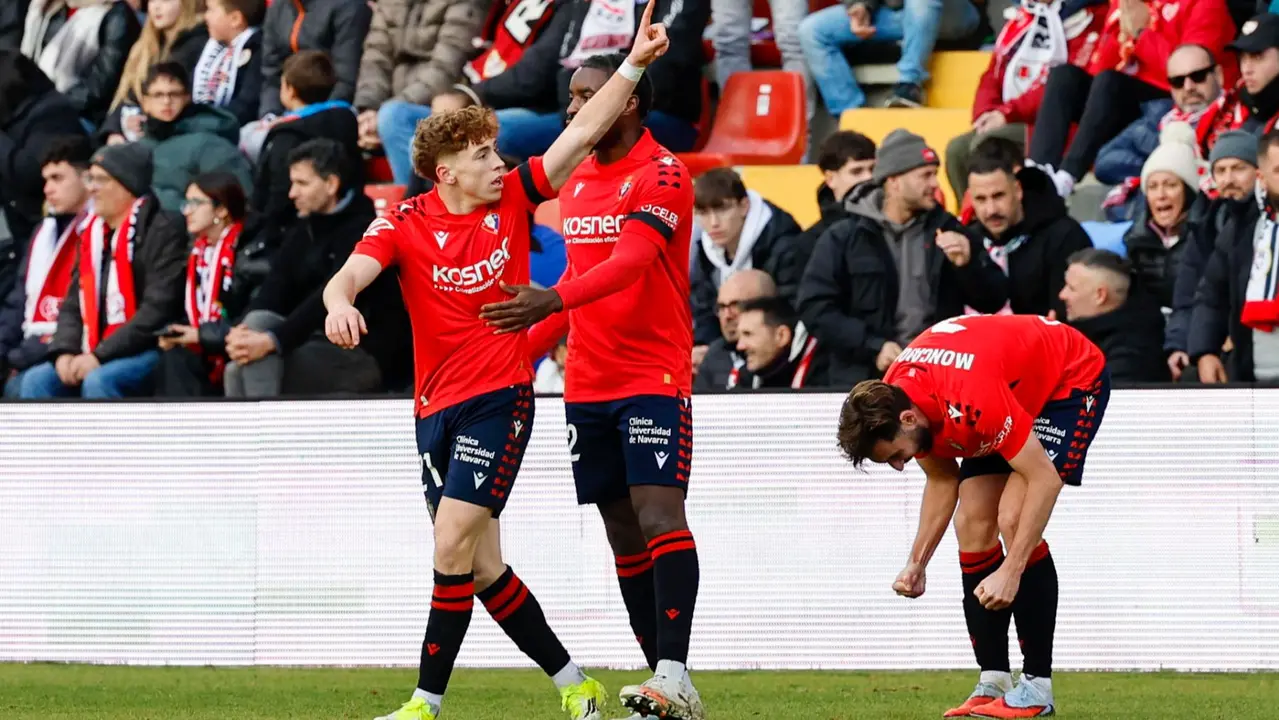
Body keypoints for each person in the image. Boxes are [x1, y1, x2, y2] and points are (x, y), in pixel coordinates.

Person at [320, 5, 671, 719]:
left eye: (497, 151)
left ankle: (424, 703)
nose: (498, 164)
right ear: (444, 170)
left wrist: (634, 63)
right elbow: (349, 275)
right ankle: (575, 684)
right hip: (432, 408)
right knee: (480, 567)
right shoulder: (404, 221)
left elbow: (578, 134)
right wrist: (337, 303)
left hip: (499, 397)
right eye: (483, 155)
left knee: (451, 540)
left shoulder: (514, 197)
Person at [477, 49, 703, 720]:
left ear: (625, 100)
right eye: (572, 96)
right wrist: (512, 354)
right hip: (589, 381)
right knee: (620, 530)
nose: (571, 108)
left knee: (659, 514)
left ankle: (674, 674)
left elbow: (631, 264)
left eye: (584, 95)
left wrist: (546, 301)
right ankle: (659, 690)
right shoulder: (574, 181)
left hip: (652, 375)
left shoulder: (663, 173)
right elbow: (580, 289)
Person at [836, 313, 1110, 719]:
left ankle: (1037, 688)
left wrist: (1011, 571)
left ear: (908, 419)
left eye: (895, 455)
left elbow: (1045, 481)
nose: (898, 466)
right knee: (972, 525)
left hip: (1067, 380)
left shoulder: (969, 397)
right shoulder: (901, 396)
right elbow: (943, 481)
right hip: (1008, 388)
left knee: (1014, 519)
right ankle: (994, 680)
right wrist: (917, 563)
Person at [20, 143, 188, 399]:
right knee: (36, 381)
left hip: (151, 347)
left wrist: (99, 356)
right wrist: (64, 352)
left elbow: (157, 310)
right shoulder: (93, 234)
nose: (91, 188)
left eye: (101, 180)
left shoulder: (163, 229)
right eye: (90, 178)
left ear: (126, 185)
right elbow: (73, 305)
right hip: (96, 348)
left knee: (100, 381)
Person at [0, 136, 92, 397]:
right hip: (31, 345)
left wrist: (18, 357)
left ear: (87, 179)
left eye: (58, 178)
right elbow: (18, 301)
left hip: (72, 348)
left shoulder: (100, 229)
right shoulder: (43, 231)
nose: (48, 189)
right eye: (45, 180)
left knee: (28, 386)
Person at [152, 173, 249, 396]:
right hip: (206, 349)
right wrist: (178, 334)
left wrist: (201, 336)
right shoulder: (196, 253)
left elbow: (248, 317)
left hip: (236, 348)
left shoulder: (247, 249)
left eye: (196, 203)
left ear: (222, 210)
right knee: (173, 356)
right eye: (186, 203)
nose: (187, 211)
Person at [1059, 248, 1168, 382]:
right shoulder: (1080, 333)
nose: (1062, 295)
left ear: (1100, 295)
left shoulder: (1130, 356)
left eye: (1071, 288)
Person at [732, 295, 826, 389]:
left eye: (748, 334)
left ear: (782, 336)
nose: (740, 346)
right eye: (740, 337)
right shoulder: (746, 377)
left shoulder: (822, 368)